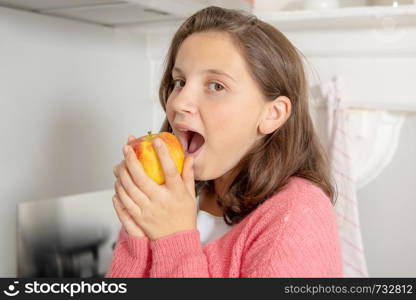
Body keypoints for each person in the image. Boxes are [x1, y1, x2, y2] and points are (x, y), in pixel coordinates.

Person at [107, 6, 343, 278]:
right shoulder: (167, 200)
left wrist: (173, 239)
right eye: (180, 81)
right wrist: (136, 238)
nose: (180, 102)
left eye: (216, 86)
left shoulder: (298, 213)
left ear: (272, 114)